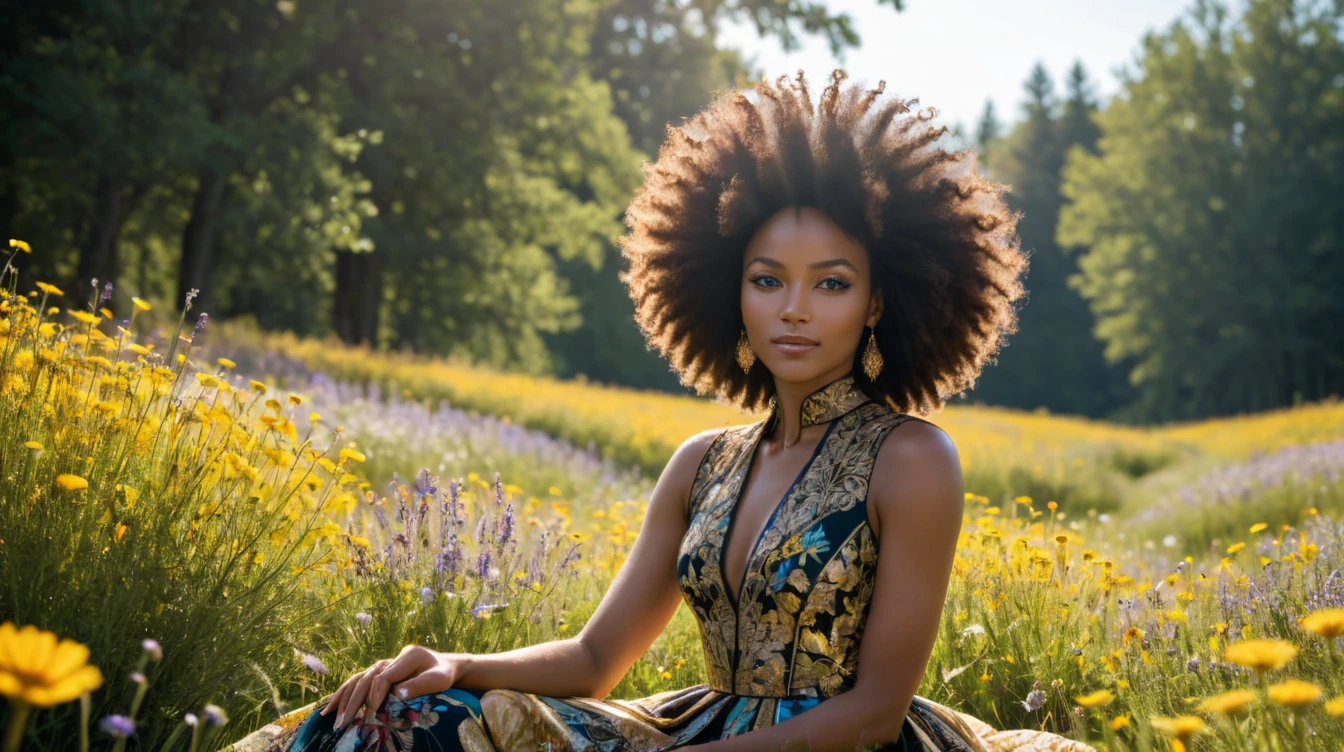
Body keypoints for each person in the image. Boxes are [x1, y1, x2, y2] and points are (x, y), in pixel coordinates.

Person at [236, 68, 1095, 752]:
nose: (794, 309)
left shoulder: (910, 459)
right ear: (733, 291)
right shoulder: (701, 463)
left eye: (830, 283)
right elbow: (594, 661)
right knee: (402, 715)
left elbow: (873, 712)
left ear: (877, 302)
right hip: (691, 726)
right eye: (768, 280)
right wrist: (454, 662)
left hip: (834, 746)